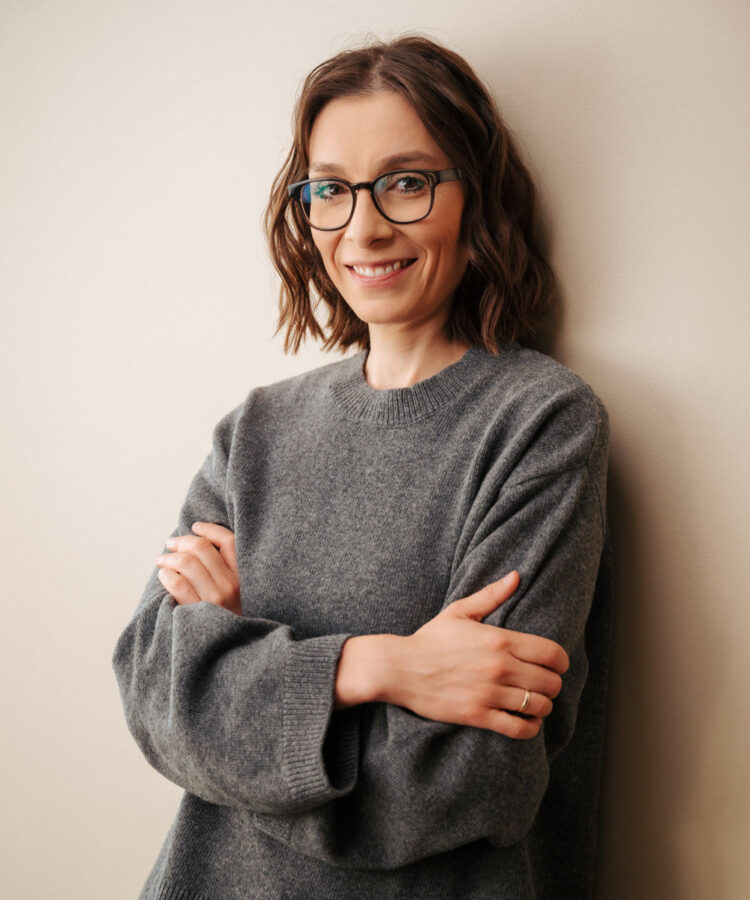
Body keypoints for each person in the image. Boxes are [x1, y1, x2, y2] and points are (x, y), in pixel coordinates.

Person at [113, 34, 613, 900]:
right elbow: (153, 689)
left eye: (406, 182)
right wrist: (377, 666)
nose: (364, 227)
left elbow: (462, 781)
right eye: (331, 190)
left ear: (475, 196)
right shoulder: (255, 430)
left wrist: (232, 703)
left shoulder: (541, 424)